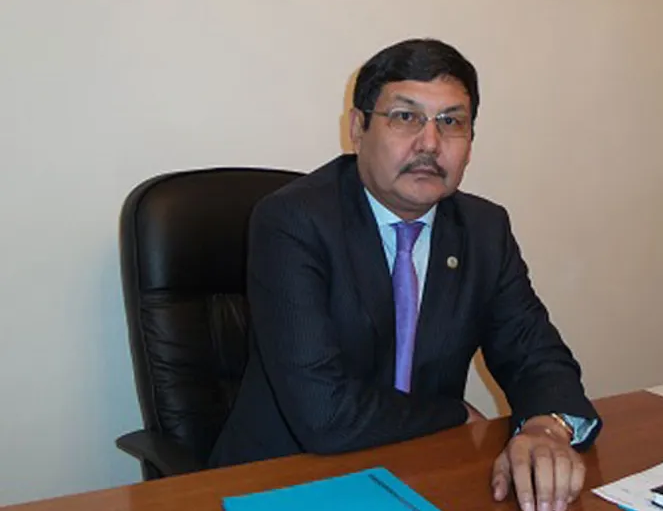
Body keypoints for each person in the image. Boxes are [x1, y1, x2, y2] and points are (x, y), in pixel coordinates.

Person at [209, 38, 601, 511]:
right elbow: (323, 413)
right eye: (405, 117)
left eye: (451, 122)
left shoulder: (483, 229)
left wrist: (546, 427)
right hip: (285, 479)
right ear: (358, 129)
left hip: (423, 472)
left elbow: (536, 356)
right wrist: (454, 413)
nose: (430, 143)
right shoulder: (293, 221)